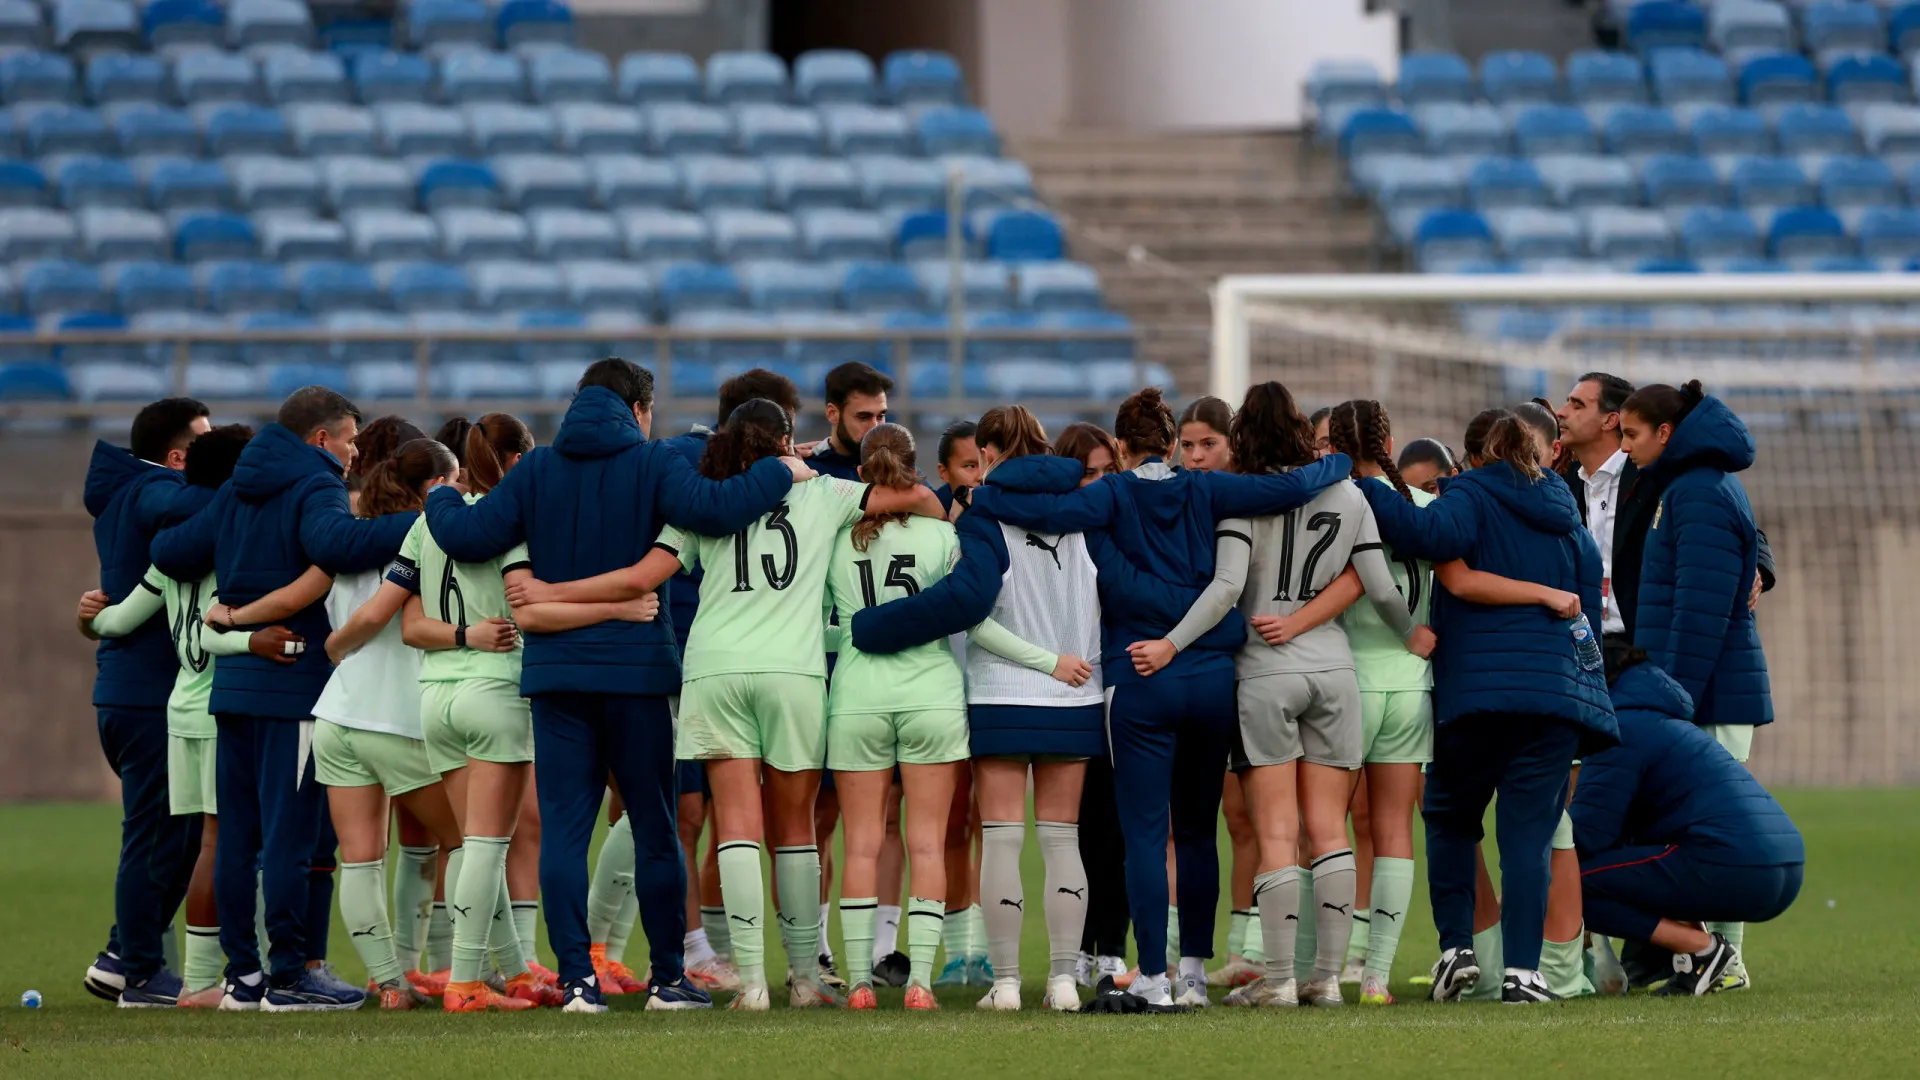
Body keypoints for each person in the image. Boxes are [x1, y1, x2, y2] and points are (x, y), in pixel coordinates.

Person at [879, 387, 1353, 1009]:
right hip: (1211, 675)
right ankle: (1191, 976)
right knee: (1198, 833)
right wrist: (1339, 462)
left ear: (1123, 448)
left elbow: (1053, 523)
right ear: (1173, 444)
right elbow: (1287, 491)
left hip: (1138, 677)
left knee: (1144, 833)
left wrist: (979, 496)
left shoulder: (1108, 495)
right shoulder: (1206, 489)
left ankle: (1148, 975)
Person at [512, 399, 940, 1010]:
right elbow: (920, 500)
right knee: (793, 831)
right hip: (792, 673)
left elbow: (638, 578)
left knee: (734, 827)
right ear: (788, 440)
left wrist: (552, 589)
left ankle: (753, 985)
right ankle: (803, 977)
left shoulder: (705, 503)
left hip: (714, 671)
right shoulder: (827, 494)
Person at [418, 359, 809, 1013]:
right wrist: (780, 469)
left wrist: (438, 492)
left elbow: (465, 535)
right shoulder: (653, 464)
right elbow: (717, 511)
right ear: (640, 409)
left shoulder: (537, 469)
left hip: (557, 676)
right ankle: (666, 981)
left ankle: (576, 981)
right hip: (634, 675)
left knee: (567, 831)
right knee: (655, 827)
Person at [1147, 385, 1424, 1010]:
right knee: (1329, 831)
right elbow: (1379, 586)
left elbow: (1225, 588)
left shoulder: (1244, 496)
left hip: (1263, 672)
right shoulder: (1350, 493)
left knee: (1276, 833)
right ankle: (1326, 980)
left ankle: (1277, 981)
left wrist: (1170, 643)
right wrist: (1413, 634)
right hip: (1334, 669)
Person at [152, 387, 418, 1012]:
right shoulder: (314, 484)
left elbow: (171, 551)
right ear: (320, 440)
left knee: (239, 839)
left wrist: (231, 607)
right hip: (292, 688)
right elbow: (338, 547)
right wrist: (435, 518)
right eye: (350, 439)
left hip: (235, 688)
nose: (355, 452)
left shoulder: (239, 487)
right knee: (293, 841)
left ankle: (243, 979)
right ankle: (291, 975)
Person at [1356, 412, 1617, 1004]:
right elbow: (1587, 594)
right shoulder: (1564, 509)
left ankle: (1457, 951)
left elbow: (1425, 538)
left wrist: (1368, 477)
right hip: (1553, 697)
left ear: (1470, 458)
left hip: (1476, 694)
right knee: (1529, 837)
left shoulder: (1467, 496)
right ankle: (1525, 974)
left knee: (1450, 818)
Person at [76, 423, 308, 1008]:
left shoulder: (170, 554)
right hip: (212, 703)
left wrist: (86, 619)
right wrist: (250, 642)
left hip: (179, 705)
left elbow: (119, 621)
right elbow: (214, 625)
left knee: (196, 843)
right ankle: (202, 978)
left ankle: (165, 971)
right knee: (218, 843)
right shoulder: (218, 548)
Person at [825, 423, 1049, 1012]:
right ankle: (920, 981)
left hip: (856, 697)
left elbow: (827, 624)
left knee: (863, 844)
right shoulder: (945, 538)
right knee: (927, 843)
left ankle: (858, 983)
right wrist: (1051, 661)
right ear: (916, 466)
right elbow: (977, 622)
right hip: (931, 697)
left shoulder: (835, 539)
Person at [304, 438, 475, 1011]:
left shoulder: (348, 537)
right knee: (471, 843)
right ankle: (472, 973)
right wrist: (334, 646)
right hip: (394, 718)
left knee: (361, 857)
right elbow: (384, 617)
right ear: (432, 488)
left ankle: (391, 984)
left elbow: (305, 593)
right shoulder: (426, 540)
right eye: (454, 483)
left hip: (337, 713)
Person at [1619, 380, 1774, 989]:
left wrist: (1673, 702)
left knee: (1719, 834)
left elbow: (1702, 611)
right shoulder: (1683, 485)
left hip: (1706, 694)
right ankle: (1707, 959)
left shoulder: (1701, 491)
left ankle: (1724, 962)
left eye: (1631, 434)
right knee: (1694, 830)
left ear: (1665, 434)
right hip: (1696, 690)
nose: (1624, 446)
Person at [80, 396, 212, 1004]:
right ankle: (138, 970)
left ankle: (122, 955)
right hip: (145, 696)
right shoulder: (154, 490)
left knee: (175, 833)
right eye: (205, 447)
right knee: (158, 834)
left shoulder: (134, 492)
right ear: (178, 456)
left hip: (132, 690)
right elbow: (198, 504)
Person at [1572, 651, 1803, 996]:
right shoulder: (1663, 720)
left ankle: (1705, 951)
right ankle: (1718, 966)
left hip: (1737, 864)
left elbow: (1587, 835)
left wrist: (1529, 874)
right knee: (1644, 863)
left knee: (1571, 886)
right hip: (1786, 865)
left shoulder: (1620, 727)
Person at [1325, 399, 1437, 1006]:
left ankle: (1319, 971)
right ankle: (1375, 977)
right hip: (1412, 684)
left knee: (1323, 829)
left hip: (1348, 681)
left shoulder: (1337, 504)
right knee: (1394, 829)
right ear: (1388, 437)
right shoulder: (1424, 505)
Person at [1050, 422, 1132, 988]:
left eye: (1107, 472)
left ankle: (1111, 948)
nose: (1099, 484)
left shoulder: (1127, 528)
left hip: (1119, 685)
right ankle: (1076, 949)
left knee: (1117, 826)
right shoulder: (1055, 531)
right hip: (1066, 690)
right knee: (1071, 829)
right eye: (1087, 473)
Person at [933, 420, 982, 514]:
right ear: (944, 472)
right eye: (970, 466)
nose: (981, 476)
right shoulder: (929, 520)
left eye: (988, 464)